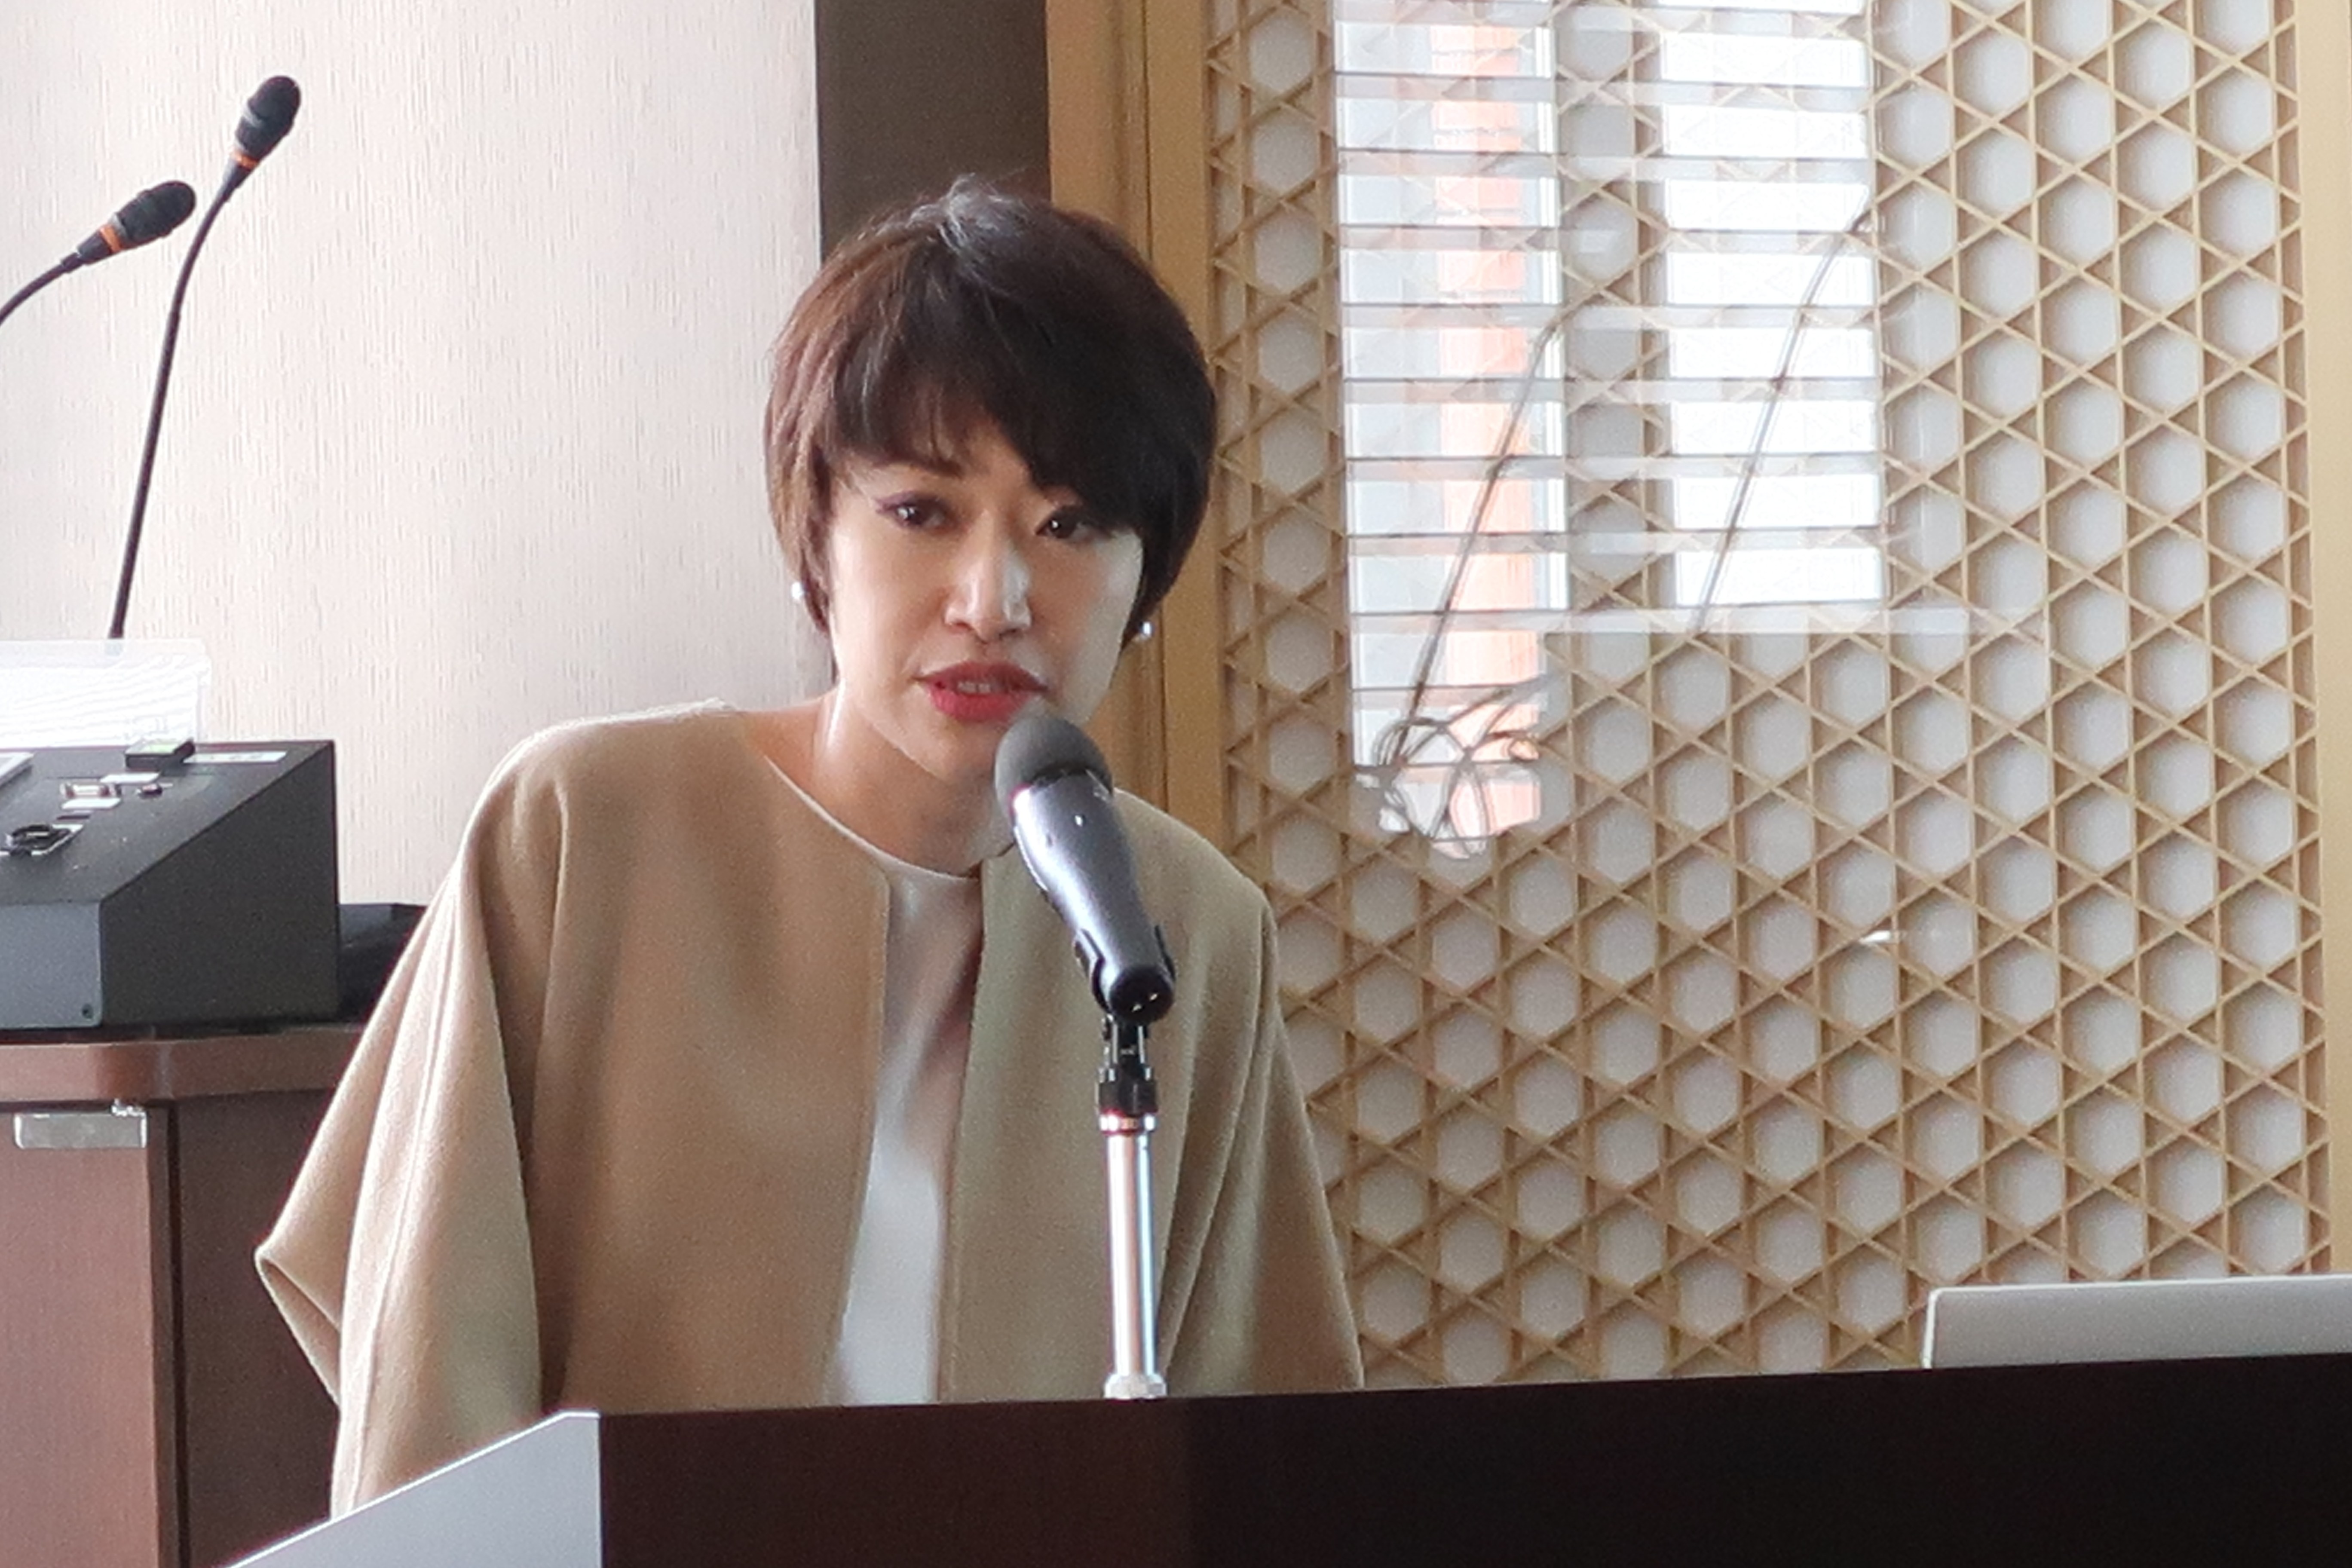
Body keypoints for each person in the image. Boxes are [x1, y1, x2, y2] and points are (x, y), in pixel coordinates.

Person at [256, 180, 1363, 1515]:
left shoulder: (1188, 922)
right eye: (922, 511)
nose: (995, 599)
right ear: (816, 538)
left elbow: (1266, 1443)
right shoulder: (584, 830)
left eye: (1069, 524)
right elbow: (433, 1385)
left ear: (1148, 577)